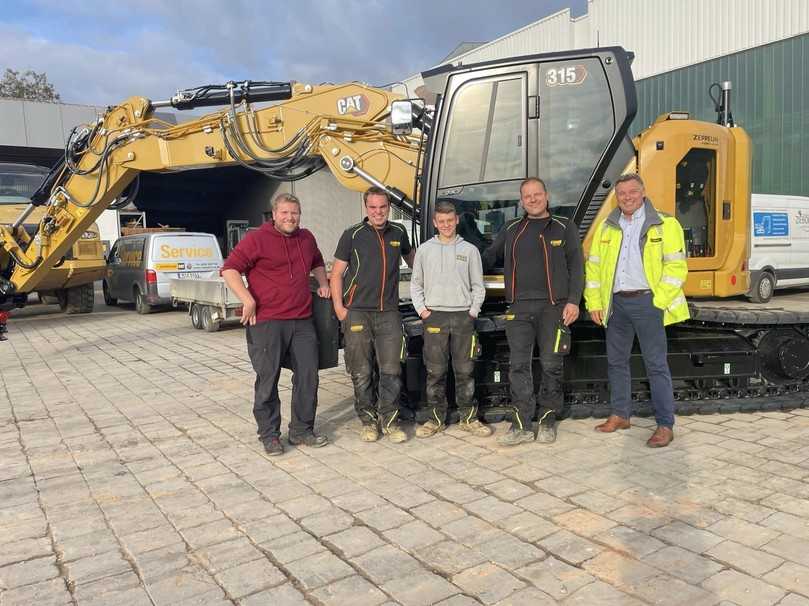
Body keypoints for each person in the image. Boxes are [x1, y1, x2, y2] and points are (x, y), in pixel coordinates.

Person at [584, 173, 689, 448]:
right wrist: (594, 302)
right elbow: (593, 269)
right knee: (616, 362)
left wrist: (659, 300)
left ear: (643, 192)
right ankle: (621, 415)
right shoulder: (607, 227)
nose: (627, 197)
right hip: (616, 304)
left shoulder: (665, 224)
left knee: (656, 365)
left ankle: (665, 425)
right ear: (616, 197)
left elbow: (677, 267)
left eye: (632, 192)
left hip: (648, 303)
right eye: (622, 194)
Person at [222, 193, 330, 456]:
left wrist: (324, 283)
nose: (290, 217)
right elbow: (229, 269)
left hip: (302, 320)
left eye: (294, 213)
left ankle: (301, 430)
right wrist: (247, 299)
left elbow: (316, 261)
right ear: (274, 214)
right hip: (267, 321)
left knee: (308, 376)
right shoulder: (257, 239)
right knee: (268, 378)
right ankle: (269, 434)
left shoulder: (306, 238)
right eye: (285, 213)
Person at [483, 178, 583, 446]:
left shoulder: (564, 227)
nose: (533, 199)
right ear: (521, 200)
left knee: (552, 365)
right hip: (519, 309)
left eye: (537, 194)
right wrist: (453, 251)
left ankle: (548, 420)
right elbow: (487, 257)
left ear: (546, 196)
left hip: (554, 307)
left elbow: (577, 267)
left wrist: (573, 301)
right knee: (518, 367)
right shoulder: (512, 228)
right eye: (527, 196)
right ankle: (521, 425)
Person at [331, 187, 414, 443]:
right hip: (357, 313)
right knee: (362, 371)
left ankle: (390, 421)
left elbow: (416, 263)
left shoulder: (399, 233)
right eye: (373, 207)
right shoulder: (352, 235)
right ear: (366, 208)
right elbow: (336, 274)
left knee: (391, 369)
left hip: (389, 312)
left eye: (383, 207)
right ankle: (368, 421)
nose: (378, 212)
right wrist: (339, 308)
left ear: (389, 207)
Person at [410, 201, 489, 438]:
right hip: (435, 317)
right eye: (441, 221)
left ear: (456, 220)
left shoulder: (470, 250)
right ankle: (435, 419)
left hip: (463, 317)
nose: (446, 225)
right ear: (435, 222)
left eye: (450, 220)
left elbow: (478, 286)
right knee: (435, 371)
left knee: (465, 370)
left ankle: (469, 418)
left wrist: (473, 311)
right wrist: (423, 311)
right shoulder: (424, 250)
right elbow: (416, 284)